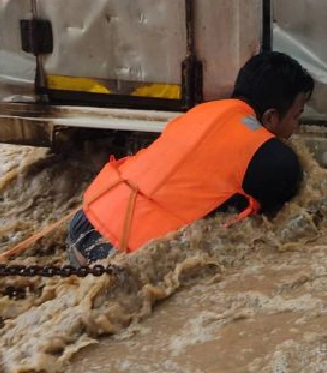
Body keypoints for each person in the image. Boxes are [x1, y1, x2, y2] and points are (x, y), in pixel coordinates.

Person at [68, 51, 314, 264]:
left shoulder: (201, 112)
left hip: (85, 219)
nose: (296, 127)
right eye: (296, 116)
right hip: (114, 252)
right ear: (271, 117)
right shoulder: (274, 159)